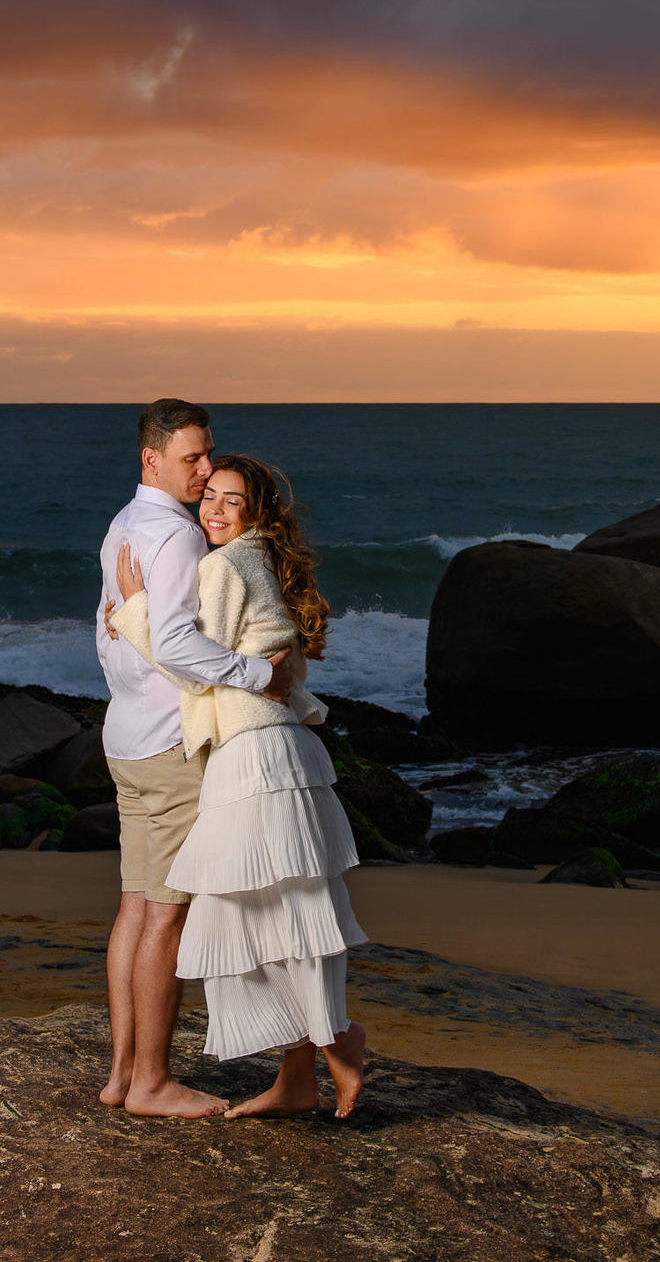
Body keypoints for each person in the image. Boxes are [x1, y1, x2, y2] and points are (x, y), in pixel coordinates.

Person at [108, 453, 368, 1119]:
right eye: (210, 497)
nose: (215, 510)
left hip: (255, 758)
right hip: (275, 751)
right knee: (273, 909)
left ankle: (337, 1038)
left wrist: (135, 613)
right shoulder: (262, 559)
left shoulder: (225, 565)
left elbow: (193, 666)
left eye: (233, 501)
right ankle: (299, 1077)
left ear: (256, 513)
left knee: (265, 912)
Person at [96, 398, 295, 1118]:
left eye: (208, 453)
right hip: (169, 745)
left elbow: (108, 632)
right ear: (152, 458)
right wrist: (257, 673)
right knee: (167, 916)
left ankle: (123, 1075)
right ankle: (150, 1081)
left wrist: (131, 681)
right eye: (192, 458)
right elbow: (177, 643)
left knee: (134, 906)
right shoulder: (179, 537)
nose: (206, 469)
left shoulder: (124, 524)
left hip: (125, 737)